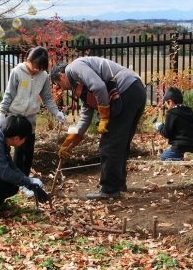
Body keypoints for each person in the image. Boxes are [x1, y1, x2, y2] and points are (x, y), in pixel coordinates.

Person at [50, 57, 146, 200]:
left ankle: (109, 189)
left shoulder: (74, 67)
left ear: (61, 75)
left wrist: (104, 115)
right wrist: (71, 142)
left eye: (59, 85)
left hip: (125, 91)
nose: (62, 89)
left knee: (108, 145)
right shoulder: (80, 83)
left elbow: (99, 87)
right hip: (135, 90)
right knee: (120, 142)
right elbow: (86, 115)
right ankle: (118, 184)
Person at [0, 46, 66, 178]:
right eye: (35, 66)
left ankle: (25, 178)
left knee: (28, 151)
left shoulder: (44, 76)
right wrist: (1, 112)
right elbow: (9, 94)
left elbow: (47, 98)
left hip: (30, 119)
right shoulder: (17, 72)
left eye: (40, 68)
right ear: (28, 60)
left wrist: (57, 112)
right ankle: (16, 179)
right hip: (15, 117)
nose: (36, 70)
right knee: (17, 149)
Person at [154, 87, 193, 161]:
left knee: (164, 156)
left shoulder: (171, 113)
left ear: (170, 102)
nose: (166, 106)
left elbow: (166, 133)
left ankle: (183, 159)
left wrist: (159, 126)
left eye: (166, 103)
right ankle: (192, 156)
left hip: (180, 147)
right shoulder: (189, 111)